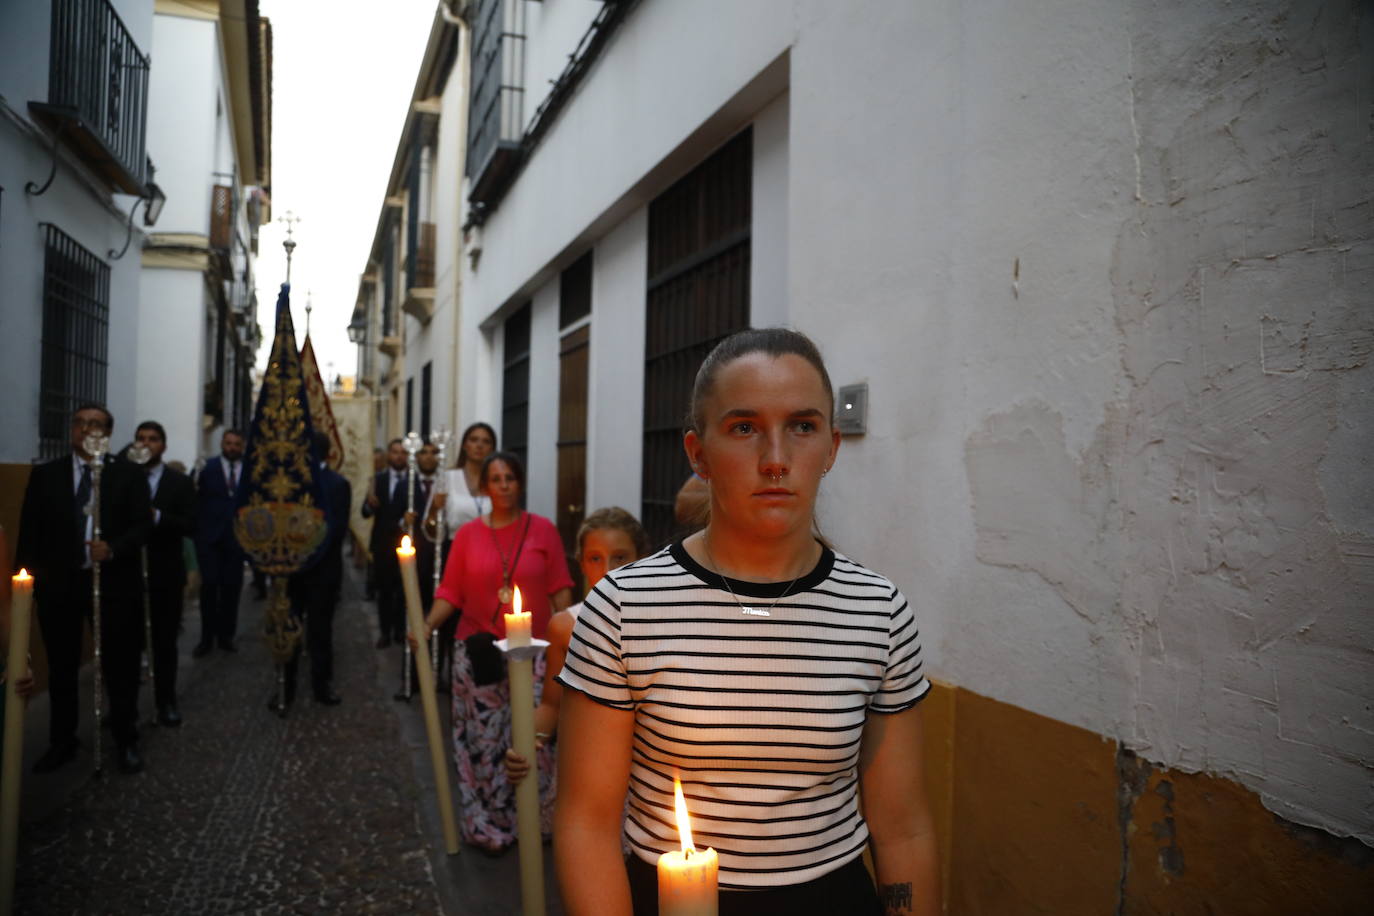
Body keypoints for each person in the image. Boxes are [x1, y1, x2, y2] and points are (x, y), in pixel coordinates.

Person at [554, 329, 939, 915]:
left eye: (803, 427)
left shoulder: (878, 612)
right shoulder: (625, 607)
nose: (776, 459)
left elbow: (903, 828)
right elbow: (586, 825)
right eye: (744, 428)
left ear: (831, 447)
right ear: (697, 452)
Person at [416, 451, 574, 854]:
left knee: (530, 740)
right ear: (484, 487)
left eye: (510, 478)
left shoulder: (542, 531)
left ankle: (531, 820)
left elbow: (560, 592)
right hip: (479, 654)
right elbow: (450, 591)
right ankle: (485, 824)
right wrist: (427, 624)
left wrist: (575, 639)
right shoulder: (468, 535)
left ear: (519, 484)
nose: (503, 485)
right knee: (482, 743)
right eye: (495, 479)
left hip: (535, 653)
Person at [16, 403, 153, 775]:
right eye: (79, 423)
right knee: (61, 666)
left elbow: (143, 526)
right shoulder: (46, 476)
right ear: (71, 430)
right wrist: (22, 587)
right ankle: (62, 741)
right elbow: (30, 532)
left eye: (95, 424)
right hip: (59, 586)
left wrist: (114, 548)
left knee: (119, 664)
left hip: (111, 585)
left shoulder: (126, 475)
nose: (85, 429)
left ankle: (126, 739)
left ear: (107, 433)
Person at [504, 506, 650, 785]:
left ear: (641, 558)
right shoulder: (565, 627)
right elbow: (551, 705)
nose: (608, 570)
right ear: (581, 563)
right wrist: (525, 744)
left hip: (644, 771)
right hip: (584, 766)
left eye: (620, 557)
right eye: (595, 558)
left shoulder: (659, 623)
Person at [279, 431, 352, 711]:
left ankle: (322, 685)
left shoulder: (337, 485)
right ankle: (286, 686)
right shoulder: (288, 484)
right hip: (292, 568)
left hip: (323, 568)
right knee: (289, 628)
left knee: (321, 631)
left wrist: (307, 545)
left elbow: (338, 528)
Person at [421, 421, 496, 685]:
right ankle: (447, 672)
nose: (479, 445)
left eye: (485, 441)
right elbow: (429, 528)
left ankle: (483, 672)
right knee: (451, 615)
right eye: (474, 439)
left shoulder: (497, 479)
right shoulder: (448, 477)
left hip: (491, 554)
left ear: (492, 447)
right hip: (455, 551)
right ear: (465, 445)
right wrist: (434, 510)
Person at [132, 421, 196, 727]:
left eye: (153, 439)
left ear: (164, 445)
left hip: (166, 574)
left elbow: (190, 525)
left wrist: (157, 516)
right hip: (129, 574)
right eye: (141, 439)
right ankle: (124, 705)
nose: (147, 444)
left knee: (164, 643)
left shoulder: (179, 483)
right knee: (127, 646)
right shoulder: (123, 476)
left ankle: (166, 700)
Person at [193, 429, 247, 656]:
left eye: (236, 444)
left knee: (232, 589)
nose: (232, 448)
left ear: (242, 446)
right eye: (228, 443)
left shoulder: (250, 470)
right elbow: (195, 498)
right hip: (210, 539)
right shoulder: (207, 468)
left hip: (237, 539)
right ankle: (206, 638)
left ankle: (226, 636)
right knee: (209, 587)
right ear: (222, 444)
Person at [395, 440, 440, 701]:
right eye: (423, 452)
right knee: (413, 619)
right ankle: (409, 677)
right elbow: (390, 522)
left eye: (434, 452)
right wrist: (404, 521)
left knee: (438, 624)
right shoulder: (406, 486)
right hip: (413, 562)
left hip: (439, 561)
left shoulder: (446, 487)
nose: (428, 457)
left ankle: (436, 674)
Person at [362, 439, 412, 648]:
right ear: (388, 455)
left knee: (403, 591)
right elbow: (365, 513)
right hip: (382, 544)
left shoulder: (412, 481)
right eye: (395, 452)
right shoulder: (378, 480)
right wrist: (369, 504)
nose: (398, 456)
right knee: (384, 591)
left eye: (402, 452)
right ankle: (385, 632)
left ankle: (400, 631)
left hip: (405, 544)